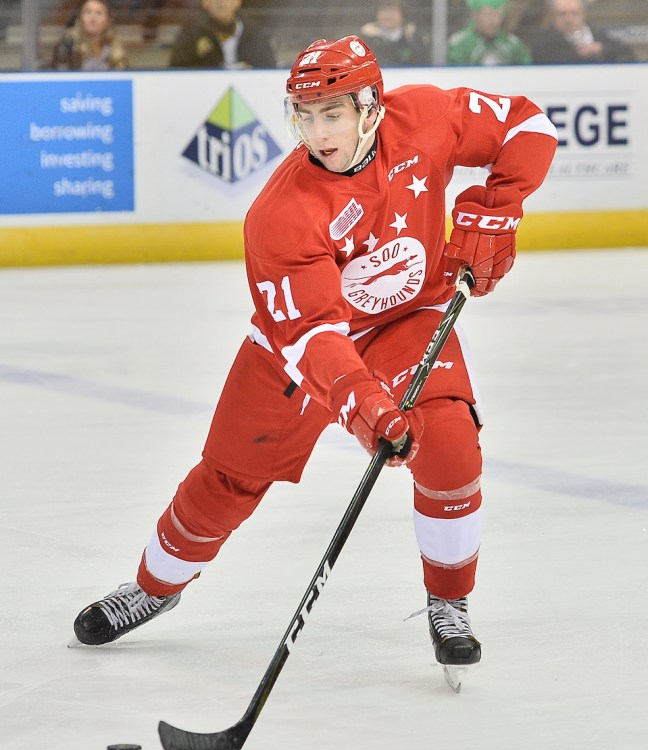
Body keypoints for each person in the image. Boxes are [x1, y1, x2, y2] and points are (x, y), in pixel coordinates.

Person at [73, 36, 556, 685]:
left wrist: (498, 208)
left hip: (406, 319)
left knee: (451, 445)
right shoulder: (281, 214)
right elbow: (312, 339)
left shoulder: (426, 119)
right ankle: (155, 586)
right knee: (226, 483)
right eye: (305, 114)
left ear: (372, 107)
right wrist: (364, 407)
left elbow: (530, 124)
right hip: (298, 350)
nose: (318, 131)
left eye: (333, 113)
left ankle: (448, 602)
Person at [168, 0, 275, 69]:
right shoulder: (191, 33)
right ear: (205, 3)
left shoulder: (254, 32)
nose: (221, 2)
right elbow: (177, 69)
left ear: (238, 2)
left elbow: (269, 67)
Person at [530, 0, 636, 64]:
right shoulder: (544, 42)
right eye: (562, 14)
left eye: (574, 13)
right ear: (553, 16)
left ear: (583, 14)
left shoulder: (599, 34)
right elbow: (543, 59)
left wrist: (599, 48)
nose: (568, 19)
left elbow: (625, 51)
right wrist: (578, 53)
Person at [447, 0, 532, 66]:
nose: (494, 21)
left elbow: (526, 75)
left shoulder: (513, 45)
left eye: (499, 14)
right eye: (489, 14)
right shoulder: (459, 45)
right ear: (474, 14)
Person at [50, 0, 129, 70]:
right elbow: (60, 79)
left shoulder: (116, 49)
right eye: (88, 12)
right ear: (80, 18)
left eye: (99, 13)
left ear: (108, 20)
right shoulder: (67, 46)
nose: (93, 18)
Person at [359, 1, 429, 66]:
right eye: (384, 10)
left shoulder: (413, 36)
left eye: (393, 11)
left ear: (402, 14)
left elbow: (423, 63)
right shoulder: (366, 38)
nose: (388, 15)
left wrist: (412, 40)